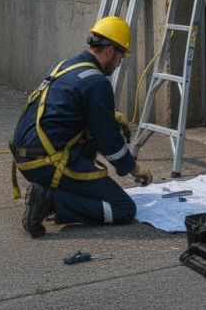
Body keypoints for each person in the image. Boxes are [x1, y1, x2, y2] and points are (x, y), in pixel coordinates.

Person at [10, 16, 152, 238]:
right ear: (109, 51)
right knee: (124, 209)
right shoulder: (97, 83)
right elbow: (109, 142)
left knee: (93, 138)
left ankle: (53, 191)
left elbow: (69, 110)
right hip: (46, 161)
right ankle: (51, 199)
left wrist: (111, 117)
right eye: (120, 57)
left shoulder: (67, 65)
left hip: (28, 154)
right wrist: (133, 168)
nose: (118, 63)